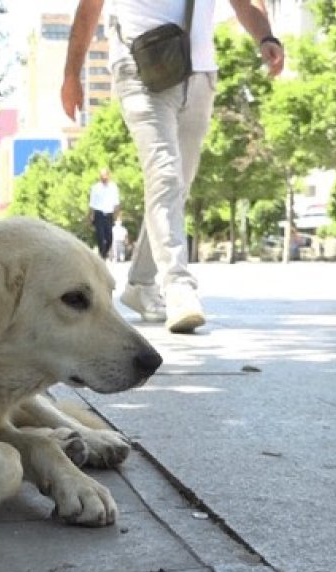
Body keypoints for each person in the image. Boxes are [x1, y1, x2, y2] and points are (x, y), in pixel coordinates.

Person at [62, 0, 284, 333]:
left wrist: (266, 37)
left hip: (199, 74)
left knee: (177, 184)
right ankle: (179, 286)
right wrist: (71, 74)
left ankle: (139, 284)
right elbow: (89, 8)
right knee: (164, 174)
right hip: (140, 69)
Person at [89, 168, 120, 259]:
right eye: (102, 176)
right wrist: (90, 215)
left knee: (109, 238)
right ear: (100, 177)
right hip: (99, 215)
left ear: (109, 176)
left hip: (109, 215)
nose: (104, 178)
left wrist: (117, 215)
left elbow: (116, 202)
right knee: (100, 237)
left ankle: (104, 253)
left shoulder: (113, 187)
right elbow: (92, 203)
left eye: (105, 175)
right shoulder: (95, 187)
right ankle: (102, 255)